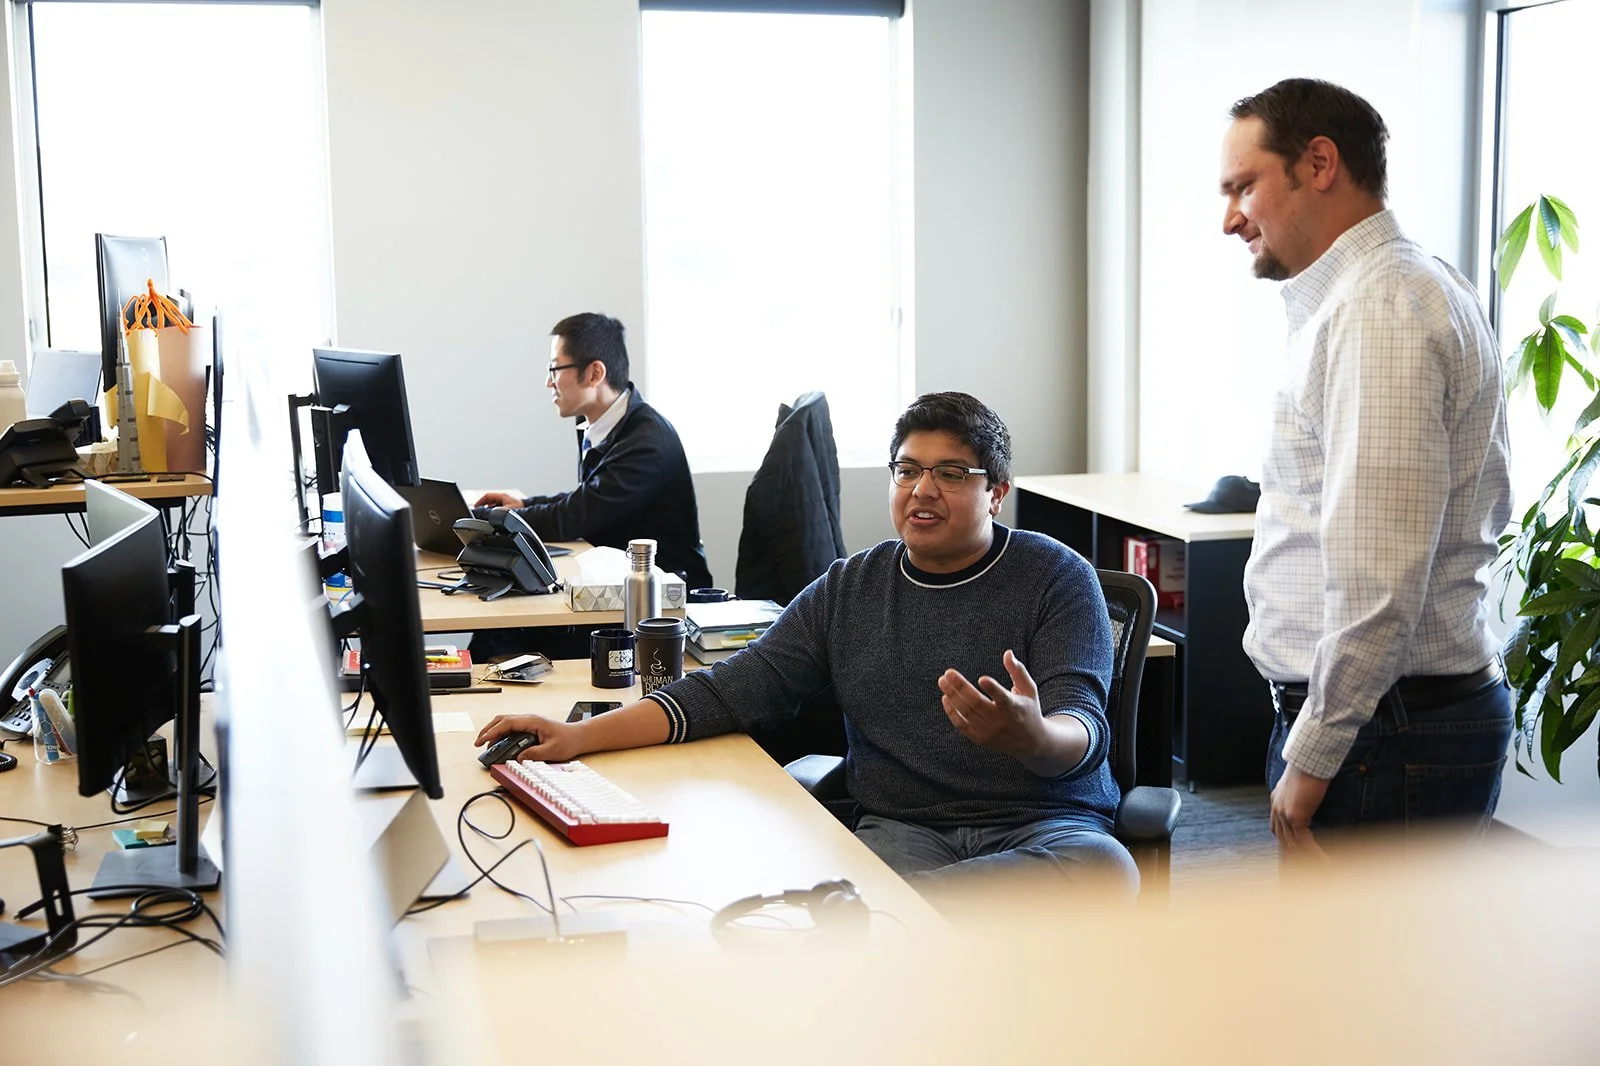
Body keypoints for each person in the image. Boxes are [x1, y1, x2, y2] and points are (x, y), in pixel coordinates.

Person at [477, 392, 1138, 897]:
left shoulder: (1057, 577)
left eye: (951, 472)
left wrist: (1032, 736)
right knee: (854, 889)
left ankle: (896, 913)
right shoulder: (851, 587)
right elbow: (730, 690)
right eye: (907, 470)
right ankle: (905, 913)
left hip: (1043, 826)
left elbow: (1083, 726)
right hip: (906, 830)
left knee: (1106, 868)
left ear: (996, 493)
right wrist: (577, 738)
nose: (922, 489)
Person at [1218, 78, 1513, 855]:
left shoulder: (1379, 310)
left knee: (1370, 944)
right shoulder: (1386, 291)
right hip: (1386, 722)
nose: (1230, 219)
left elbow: (1380, 578)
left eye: (1244, 187)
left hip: (1385, 731)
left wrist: (1314, 756)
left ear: (1320, 163)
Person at [474, 312, 713, 591]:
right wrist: (523, 506)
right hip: (617, 583)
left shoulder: (647, 443)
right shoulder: (596, 423)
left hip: (664, 597)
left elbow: (577, 515)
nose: (549, 382)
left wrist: (494, 520)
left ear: (595, 374)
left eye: (555, 369)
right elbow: (592, 497)